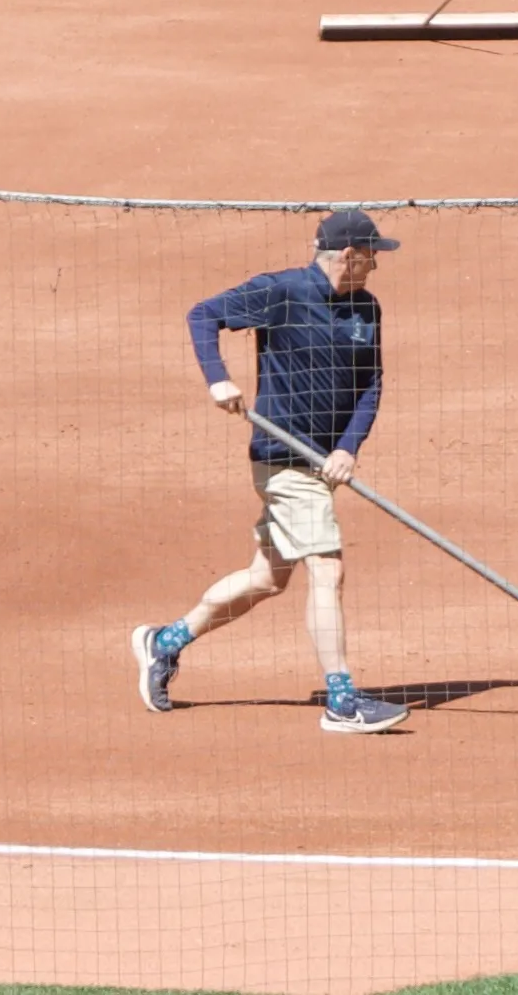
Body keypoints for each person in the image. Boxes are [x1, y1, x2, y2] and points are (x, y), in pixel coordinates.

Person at [131, 207, 407, 736]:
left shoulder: (366, 310)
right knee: (326, 568)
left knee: (265, 579)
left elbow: (372, 382)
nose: (376, 264)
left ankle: (162, 642)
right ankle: (342, 700)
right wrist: (218, 380)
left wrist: (348, 448)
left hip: (323, 462)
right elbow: (203, 314)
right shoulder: (281, 293)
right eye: (372, 255)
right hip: (282, 460)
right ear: (349, 255)